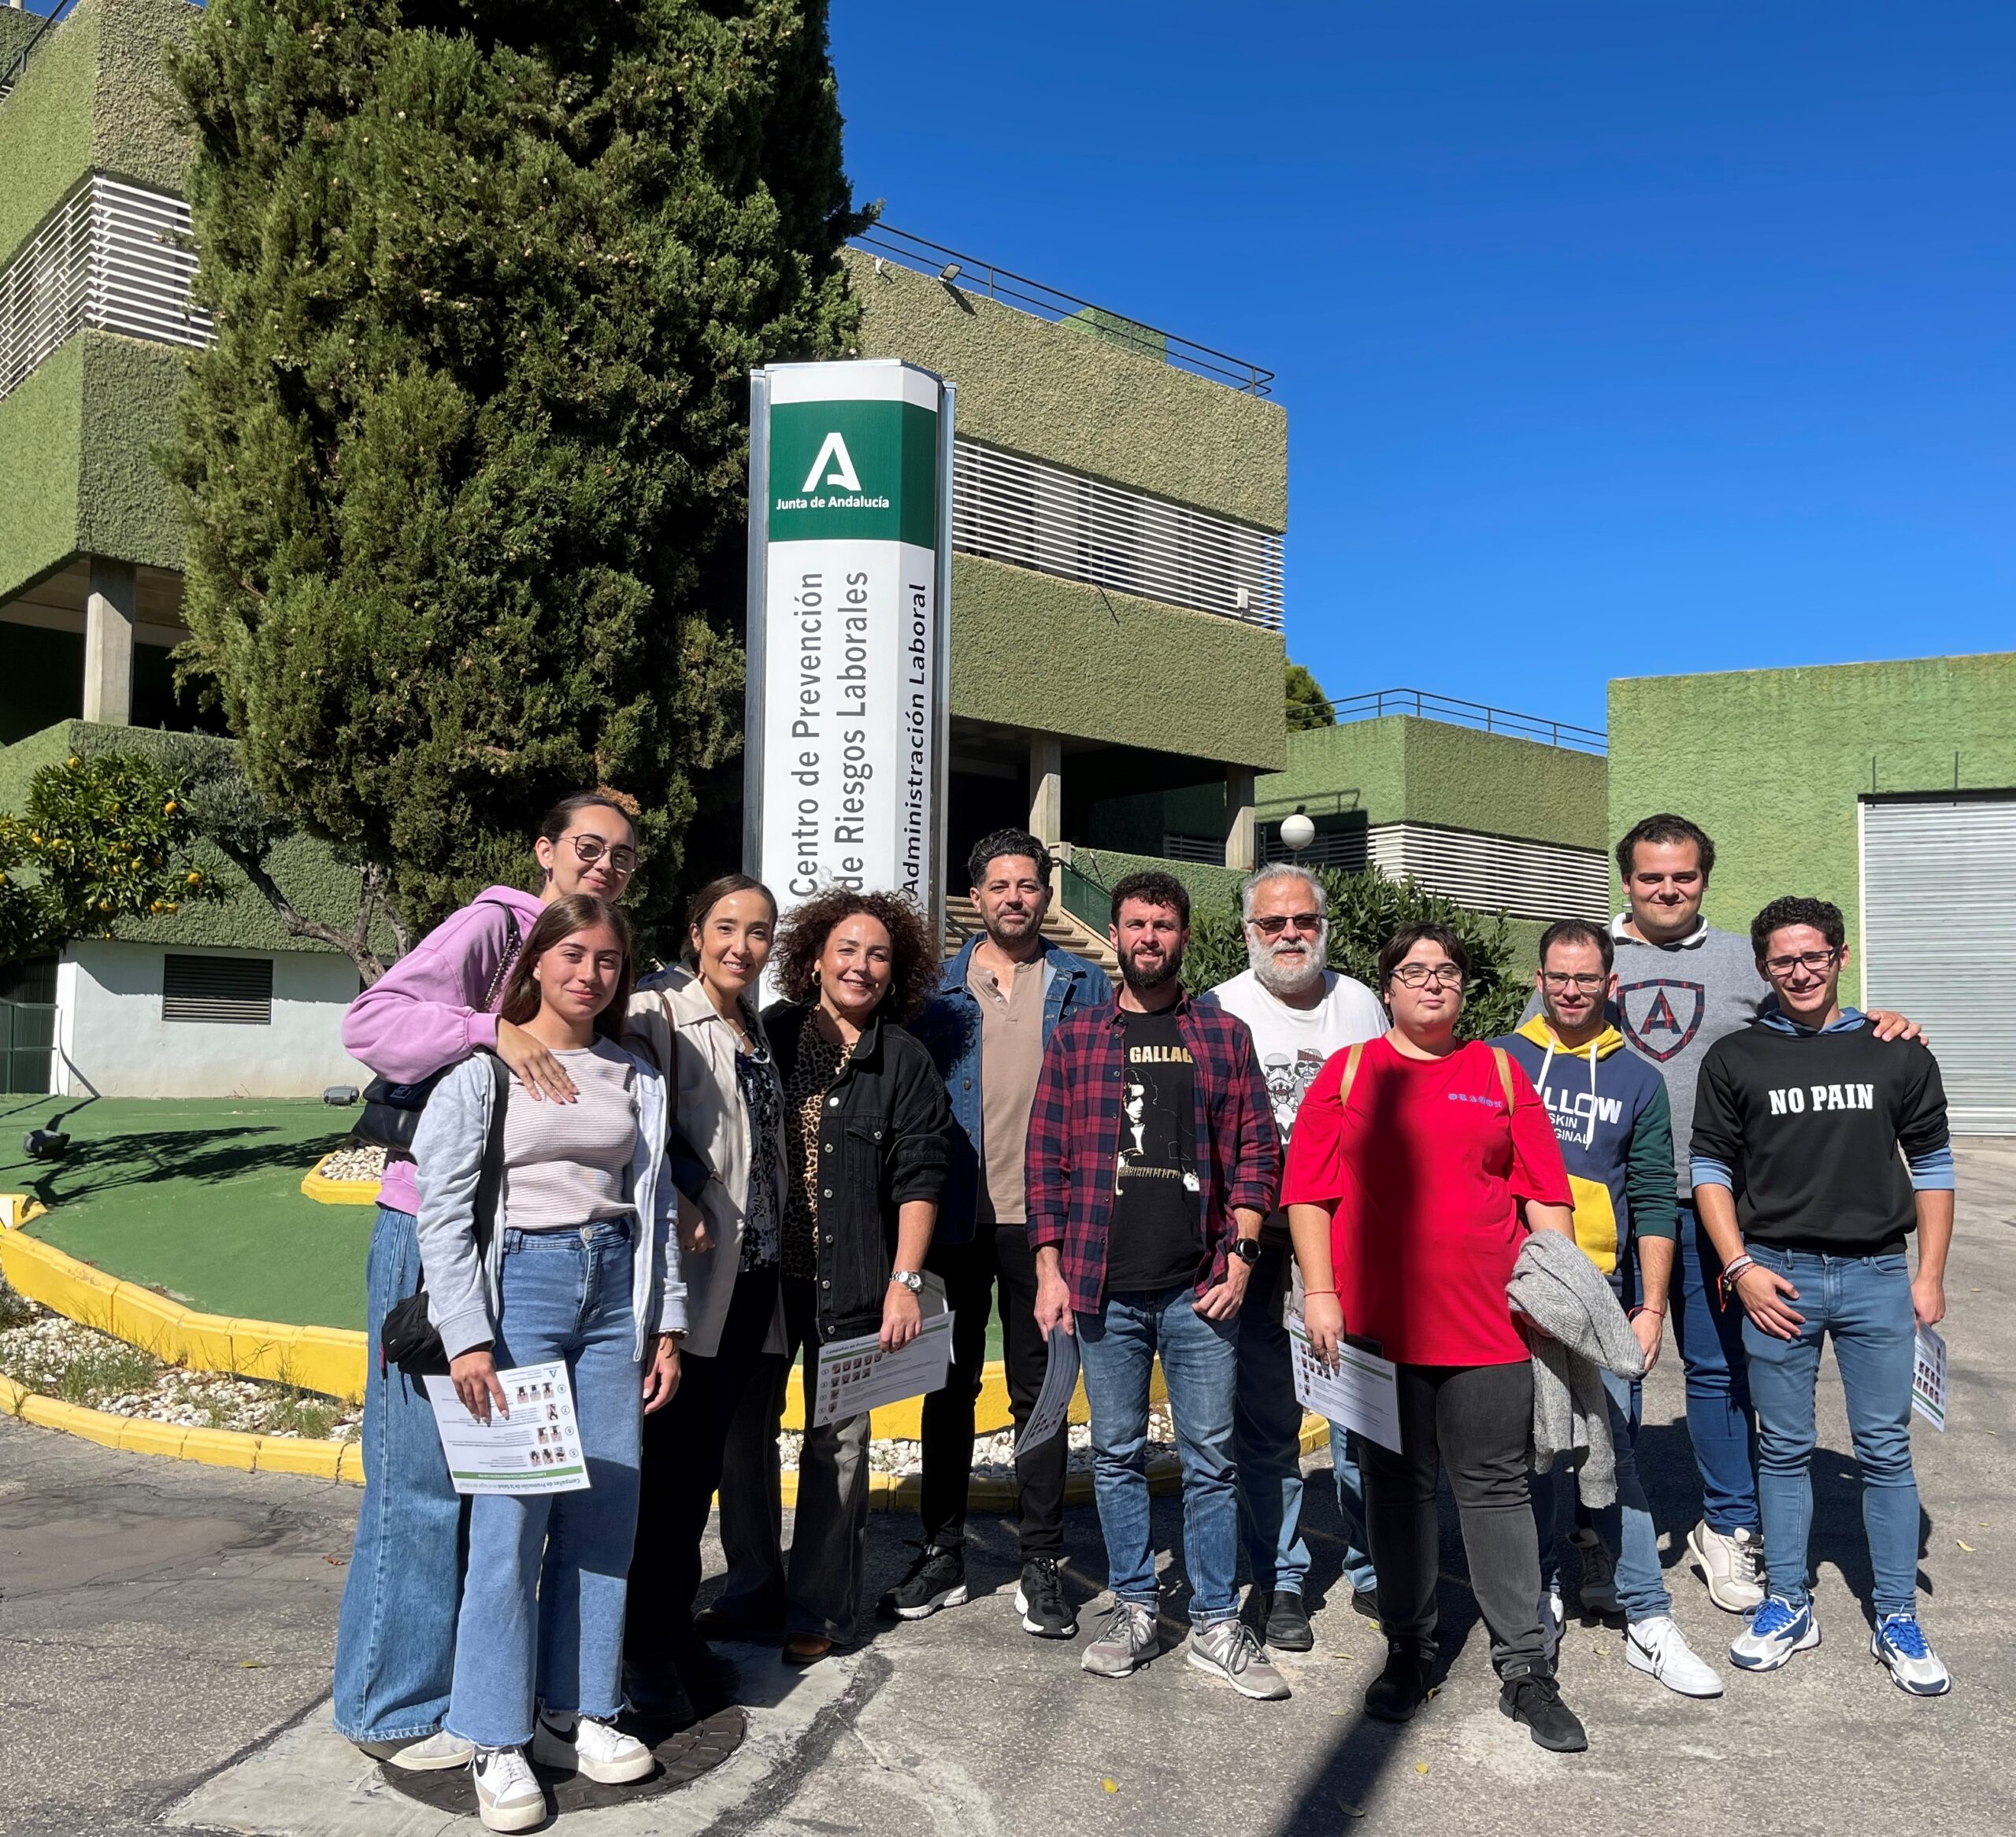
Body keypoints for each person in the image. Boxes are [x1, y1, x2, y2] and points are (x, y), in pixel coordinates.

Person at [332, 791, 681, 1767]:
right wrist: (492, 1031)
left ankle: (510, 1694)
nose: (604, 864)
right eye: (587, 846)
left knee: (528, 1489)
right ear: (546, 850)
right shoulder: (496, 925)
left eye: (621, 854)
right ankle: (398, 1704)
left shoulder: (602, 966)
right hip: (441, 1223)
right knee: (424, 1479)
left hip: (582, 1266)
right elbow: (374, 1020)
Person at [1538, 813, 1921, 1615]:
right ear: (1626, 880)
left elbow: (1814, 1016)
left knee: (1719, 1373)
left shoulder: (1740, 962)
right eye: (1650, 876)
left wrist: (1886, 1023)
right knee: (1611, 1376)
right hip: (1613, 1207)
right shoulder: (1592, 961)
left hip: (1723, 1208)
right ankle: (1598, 1533)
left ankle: (1728, 1526)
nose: (1667, 889)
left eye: (1682, 875)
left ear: (1703, 878)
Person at [412, 894, 685, 1832]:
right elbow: (443, 1215)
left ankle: (580, 1707)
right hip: (518, 1292)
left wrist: (667, 1324)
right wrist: (469, 1336)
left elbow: (651, 1209)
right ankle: (493, 1730)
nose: (590, 974)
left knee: (608, 1514)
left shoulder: (634, 1074)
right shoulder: (481, 1074)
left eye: (608, 960)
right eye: (572, 954)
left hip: (614, 1294)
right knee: (510, 1522)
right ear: (535, 960)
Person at [1285, 924, 1589, 1753]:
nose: (1430, 983)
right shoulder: (1347, 1076)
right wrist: (1319, 1293)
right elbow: (1307, 1195)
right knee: (1396, 1490)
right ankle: (1409, 1647)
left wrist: (1556, 1292)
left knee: (1495, 1490)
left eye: (1446, 972)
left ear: (1462, 988)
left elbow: (1544, 1197)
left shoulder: (1497, 1072)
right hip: (1380, 1331)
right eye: (1413, 971)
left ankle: (1525, 1667)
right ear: (1385, 986)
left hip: (1490, 1325)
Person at [1026, 870, 1288, 1701]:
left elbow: (1255, 1152)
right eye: (1137, 923)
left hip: (1198, 1287)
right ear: (1115, 932)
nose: (1150, 937)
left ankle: (1214, 1619)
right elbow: (1047, 1161)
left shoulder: (1222, 1033)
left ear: (1183, 935)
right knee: (1115, 1453)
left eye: (1165, 924)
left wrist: (1243, 1255)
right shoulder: (1076, 1039)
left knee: (1211, 1458)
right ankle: (1136, 1605)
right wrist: (1048, 1267)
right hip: (1103, 1284)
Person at [1692, 897, 1954, 1695]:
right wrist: (1739, 1265)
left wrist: (1930, 1273)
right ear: (1763, 968)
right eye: (1782, 960)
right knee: (1782, 1445)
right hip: (1778, 1273)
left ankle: (1896, 1613)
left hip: (1878, 1273)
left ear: (1840, 955)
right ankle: (1787, 1603)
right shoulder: (1736, 1057)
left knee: (1884, 1448)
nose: (1799, 971)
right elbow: (1710, 1169)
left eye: (1812, 956)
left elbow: (1934, 1164)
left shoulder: (1895, 1052)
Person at [884, 828, 1112, 1637]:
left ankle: (1041, 1561)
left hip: (1043, 1221)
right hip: (948, 1218)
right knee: (944, 1389)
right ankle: (942, 1550)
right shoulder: (932, 990)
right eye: (1000, 885)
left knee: (1039, 1393)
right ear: (975, 896)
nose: (1015, 897)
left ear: (1046, 894)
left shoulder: (1084, 984)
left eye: (1028, 884)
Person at [1495, 920, 1721, 1698]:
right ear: (1538, 976)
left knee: (1614, 1452)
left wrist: (1650, 1306)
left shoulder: (1638, 1077)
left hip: (1601, 1296)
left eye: (1585, 978)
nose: (1569, 989)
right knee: (1528, 1454)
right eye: (1557, 975)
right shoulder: (1499, 1059)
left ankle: (1647, 1617)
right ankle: (1540, 1589)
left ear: (1610, 984)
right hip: (1514, 1293)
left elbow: (1656, 1197)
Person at [749, 888, 952, 1666]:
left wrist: (905, 1277)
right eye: (846, 949)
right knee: (746, 1439)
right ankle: (753, 1588)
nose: (860, 965)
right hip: (763, 1281)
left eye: (877, 954)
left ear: (894, 970)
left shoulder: (901, 1058)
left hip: (855, 1285)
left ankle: (821, 1607)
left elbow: (920, 1176)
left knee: (837, 1445)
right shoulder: (767, 1036)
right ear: (814, 958)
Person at [1200, 864, 1385, 1651]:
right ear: (1248, 932)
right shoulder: (1219, 1007)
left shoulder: (1362, 1005)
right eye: (1271, 923)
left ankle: (1375, 1567)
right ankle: (1279, 1579)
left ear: (1323, 923)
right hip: (1256, 1243)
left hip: (1344, 1245)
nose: (1288, 934)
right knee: (1267, 1421)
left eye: (1301, 920)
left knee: (1355, 1419)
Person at [621, 876, 790, 1711]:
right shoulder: (659, 1010)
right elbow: (632, 1111)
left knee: (697, 1476)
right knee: (666, 1471)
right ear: (695, 931)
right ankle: (640, 1647)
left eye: (758, 932)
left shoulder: (750, 1023)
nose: (741, 945)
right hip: (684, 1285)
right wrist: (684, 1181)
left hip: (747, 1280)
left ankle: (671, 1623)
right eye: (726, 927)